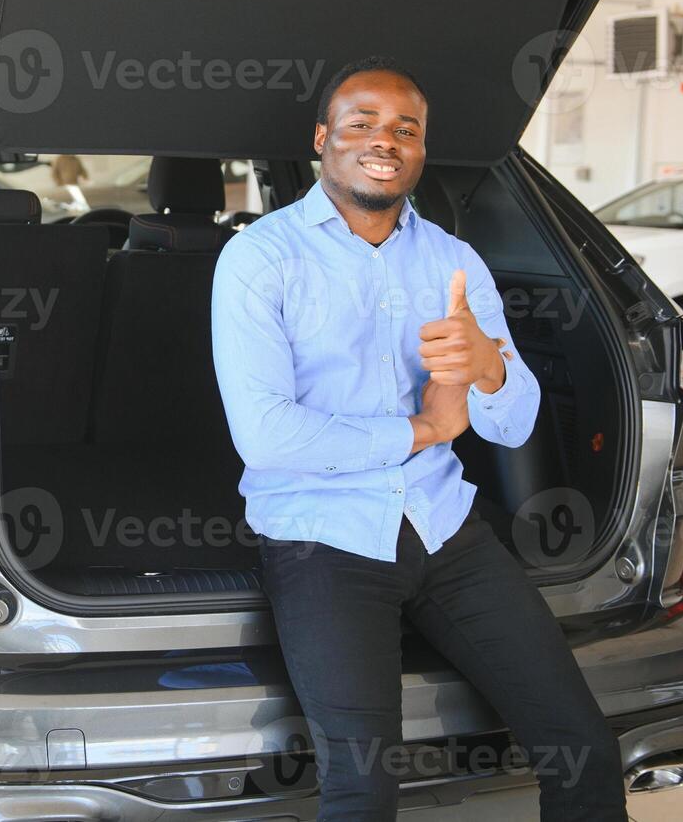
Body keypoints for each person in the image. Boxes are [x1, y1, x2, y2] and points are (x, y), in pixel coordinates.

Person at [210, 57, 626, 821]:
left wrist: (489, 366)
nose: (385, 140)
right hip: (321, 538)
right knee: (362, 788)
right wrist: (424, 428)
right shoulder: (260, 258)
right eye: (361, 123)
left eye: (406, 130)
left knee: (583, 747)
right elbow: (266, 438)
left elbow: (513, 421)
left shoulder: (452, 261)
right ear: (321, 139)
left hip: (442, 528)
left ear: (421, 151)